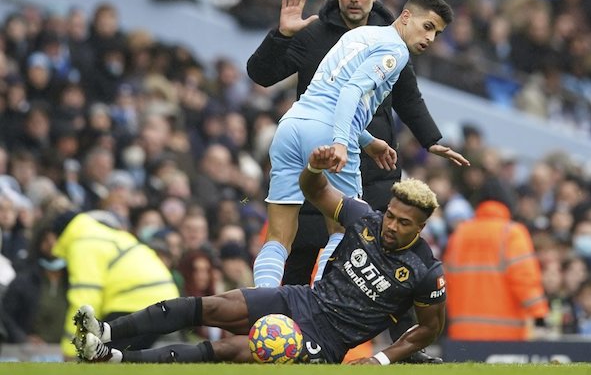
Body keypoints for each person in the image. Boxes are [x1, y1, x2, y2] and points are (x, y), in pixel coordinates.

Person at [72, 145, 446, 364]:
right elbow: (315, 191)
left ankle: (113, 360)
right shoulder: (365, 218)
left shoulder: (424, 270)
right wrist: (314, 167)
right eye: (392, 216)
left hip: (327, 340)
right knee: (214, 306)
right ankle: (104, 332)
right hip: (301, 299)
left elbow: (429, 328)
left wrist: (380, 360)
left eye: (403, 224)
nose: (391, 226)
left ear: (421, 227)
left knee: (232, 347)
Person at [248, 0, 468, 289]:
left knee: (279, 236)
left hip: (292, 126)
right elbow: (349, 92)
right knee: (346, 231)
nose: (431, 38)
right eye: (427, 27)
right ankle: (318, 304)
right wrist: (342, 142)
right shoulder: (392, 49)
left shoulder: (362, 36)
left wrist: (370, 141)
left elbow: (332, 90)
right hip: (332, 136)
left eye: (436, 32)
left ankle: (262, 305)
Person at [37, 195, 180, 359]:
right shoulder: (104, 234)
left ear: (55, 236)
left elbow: (85, 300)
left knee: (95, 359)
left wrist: (71, 349)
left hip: (136, 302)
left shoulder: (82, 244)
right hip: (162, 300)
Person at [442, 178, 549, 340]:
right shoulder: (512, 233)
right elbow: (525, 280)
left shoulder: (459, 234)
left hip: (462, 334)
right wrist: (539, 316)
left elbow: (445, 282)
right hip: (505, 335)